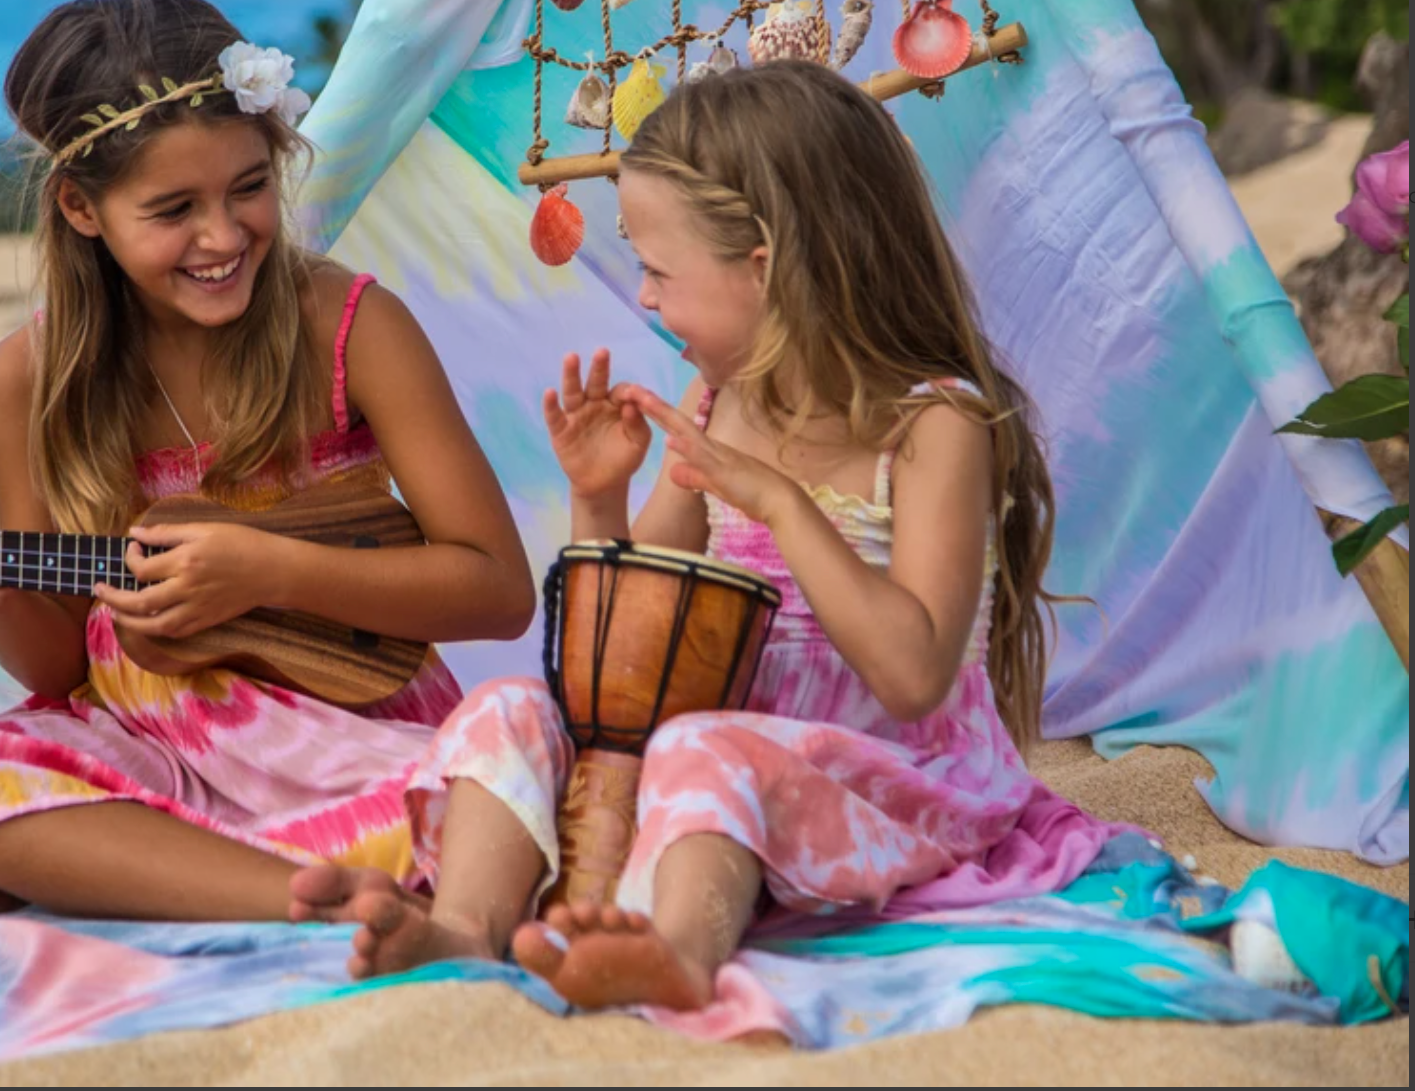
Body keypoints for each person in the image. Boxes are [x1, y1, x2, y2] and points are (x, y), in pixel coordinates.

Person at [299, 59, 1113, 1008]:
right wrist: (597, 499)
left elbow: (914, 674)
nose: (642, 299)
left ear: (763, 267)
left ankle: (678, 955)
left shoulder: (937, 426)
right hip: (718, 780)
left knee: (707, 751)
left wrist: (776, 504)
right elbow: (631, 650)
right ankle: (468, 929)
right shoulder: (723, 403)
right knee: (509, 707)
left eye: (655, 269)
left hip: (897, 785)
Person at [0, 0, 536, 929]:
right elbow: (60, 671)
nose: (223, 237)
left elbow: (500, 590)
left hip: (354, 745)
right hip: (151, 754)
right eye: (174, 209)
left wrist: (272, 568)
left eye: (249, 189)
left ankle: (120, 878)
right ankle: (311, 900)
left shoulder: (349, 329)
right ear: (81, 208)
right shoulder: (26, 382)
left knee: (519, 744)